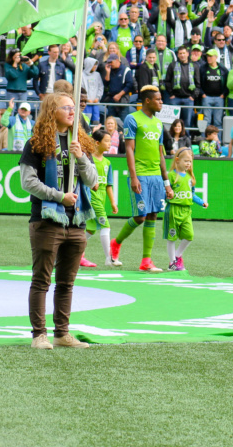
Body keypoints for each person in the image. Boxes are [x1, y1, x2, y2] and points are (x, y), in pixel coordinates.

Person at [18, 92, 99, 350]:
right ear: (52, 111)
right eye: (67, 107)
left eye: (74, 108)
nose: (73, 112)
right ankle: (39, 335)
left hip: (76, 222)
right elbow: (28, 182)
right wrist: (59, 196)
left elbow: (93, 181)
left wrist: (82, 158)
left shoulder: (81, 142)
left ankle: (61, 333)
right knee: (42, 280)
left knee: (67, 283)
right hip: (47, 220)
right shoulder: (36, 144)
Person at [110, 87, 174, 273]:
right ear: (147, 101)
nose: (161, 102)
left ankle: (146, 260)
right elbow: (129, 149)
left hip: (156, 176)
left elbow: (161, 154)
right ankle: (116, 242)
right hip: (141, 174)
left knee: (153, 215)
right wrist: (134, 176)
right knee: (140, 216)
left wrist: (166, 182)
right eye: (158, 99)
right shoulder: (132, 118)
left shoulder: (159, 124)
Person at [164, 146, 208, 271]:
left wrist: (201, 202)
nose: (188, 163)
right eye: (186, 161)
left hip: (186, 211)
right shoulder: (171, 176)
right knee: (171, 237)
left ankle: (177, 256)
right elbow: (165, 191)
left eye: (190, 161)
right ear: (177, 160)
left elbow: (192, 194)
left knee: (189, 235)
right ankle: (172, 262)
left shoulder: (190, 178)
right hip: (173, 210)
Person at [83, 129, 119, 268]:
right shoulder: (88, 159)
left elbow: (109, 185)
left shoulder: (107, 162)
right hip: (92, 198)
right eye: (107, 141)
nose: (110, 144)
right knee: (106, 226)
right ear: (97, 143)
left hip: (101, 199)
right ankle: (109, 258)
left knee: (90, 230)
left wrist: (113, 202)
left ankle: (76, 254)